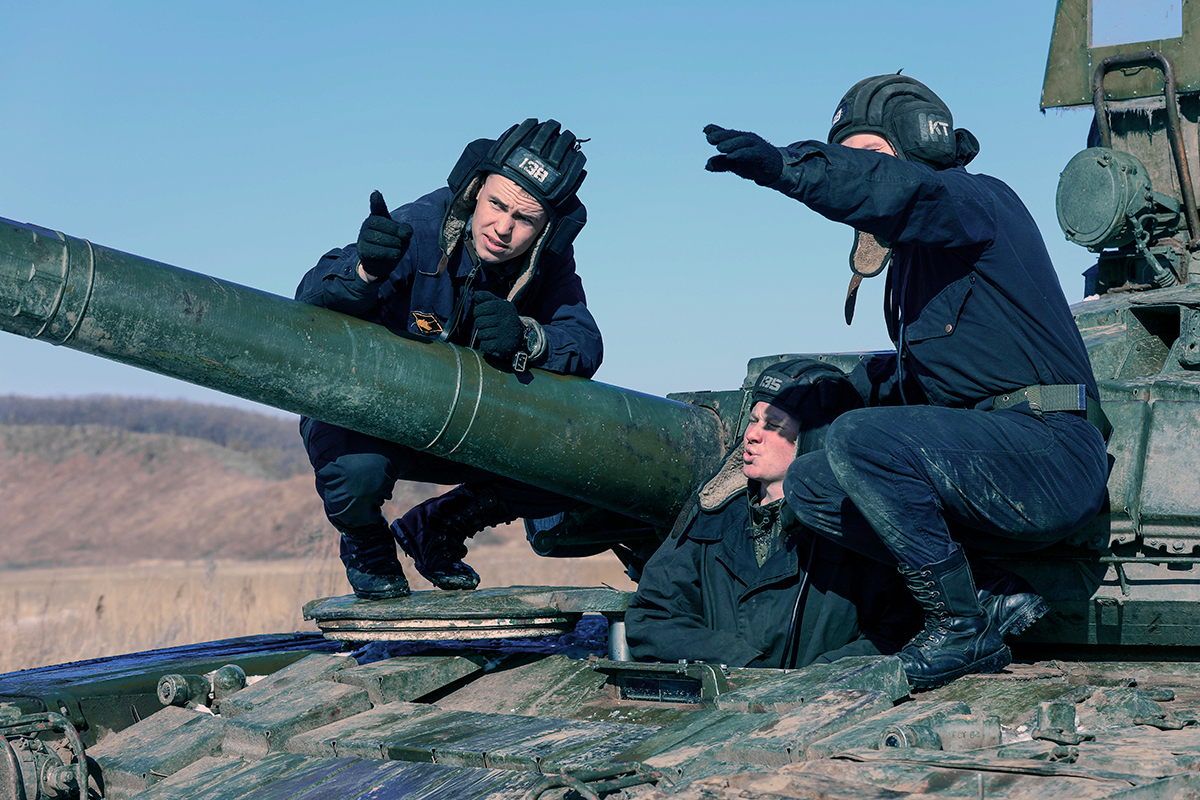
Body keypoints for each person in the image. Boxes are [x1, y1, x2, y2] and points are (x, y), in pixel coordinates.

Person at [702, 75, 1110, 688]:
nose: (858, 169)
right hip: (986, 458)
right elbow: (910, 386)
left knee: (861, 439)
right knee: (810, 484)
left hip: (1050, 451)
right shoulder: (915, 267)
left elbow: (900, 188)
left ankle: (958, 630)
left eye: (870, 155)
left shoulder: (974, 200)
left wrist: (792, 167)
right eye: (845, 157)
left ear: (916, 150)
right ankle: (987, 595)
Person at [296, 119, 602, 600]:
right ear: (475, 190)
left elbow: (585, 342)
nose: (503, 228)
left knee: (576, 463)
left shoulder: (547, 262)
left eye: (524, 219)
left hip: (463, 419)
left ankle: (437, 526)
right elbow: (310, 299)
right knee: (356, 473)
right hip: (371, 408)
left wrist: (527, 337)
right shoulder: (420, 227)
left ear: (547, 228)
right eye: (497, 204)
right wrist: (364, 271)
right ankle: (366, 543)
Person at [625, 359, 919, 669]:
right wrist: (739, 665)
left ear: (813, 441)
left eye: (773, 425)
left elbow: (901, 628)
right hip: (724, 695)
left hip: (824, 697)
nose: (752, 434)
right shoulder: (712, 512)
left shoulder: (855, 528)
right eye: (753, 420)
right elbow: (653, 615)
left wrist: (815, 679)